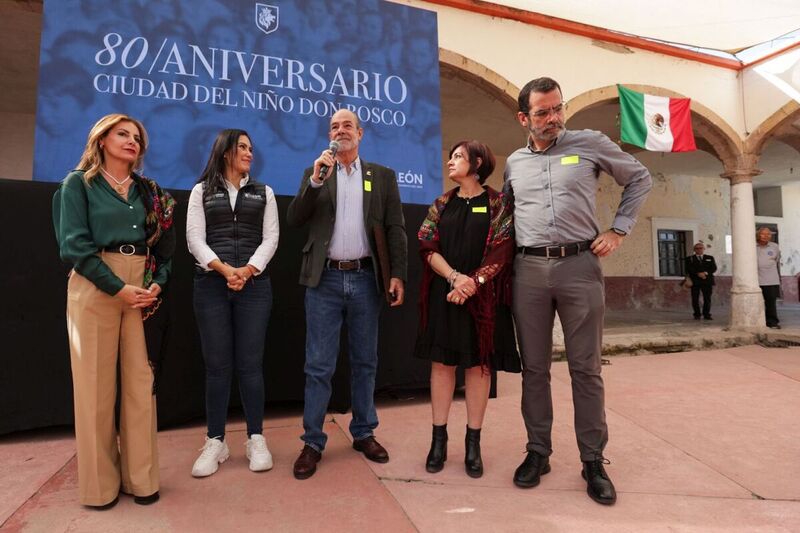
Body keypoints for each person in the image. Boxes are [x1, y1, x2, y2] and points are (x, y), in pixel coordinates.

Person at [503, 77, 652, 505]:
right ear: (523, 118)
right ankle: (538, 451)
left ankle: (592, 460)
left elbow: (639, 178)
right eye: (543, 113)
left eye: (557, 109)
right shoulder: (514, 162)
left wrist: (619, 229)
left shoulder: (589, 143)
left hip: (580, 267)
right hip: (528, 270)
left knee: (585, 370)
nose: (553, 119)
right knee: (534, 369)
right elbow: (507, 216)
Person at [52, 113, 175, 508]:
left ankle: (142, 480)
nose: (131, 141)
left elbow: (164, 248)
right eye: (122, 134)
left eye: (137, 137)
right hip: (95, 282)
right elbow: (73, 246)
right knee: (95, 389)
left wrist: (158, 282)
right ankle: (100, 488)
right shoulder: (78, 184)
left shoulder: (147, 191)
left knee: (141, 385)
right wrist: (117, 288)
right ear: (101, 140)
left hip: (139, 285)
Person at [287, 109, 407, 480]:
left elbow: (395, 228)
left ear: (361, 132)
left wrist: (398, 274)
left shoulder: (382, 177)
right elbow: (295, 218)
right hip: (324, 281)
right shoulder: (317, 173)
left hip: (366, 280)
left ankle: (364, 433)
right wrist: (316, 183)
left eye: (347, 126)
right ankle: (313, 441)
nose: (341, 131)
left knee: (365, 362)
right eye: (334, 127)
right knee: (319, 365)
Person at [415, 140, 520, 478]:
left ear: (477, 163)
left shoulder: (497, 204)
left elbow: (503, 249)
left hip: (484, 299)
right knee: (443, 367)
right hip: (447, 294)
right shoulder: (441, 204)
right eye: (450, 156)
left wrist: (473, 283)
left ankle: (473, 444)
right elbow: (426, 243)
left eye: (458, 156)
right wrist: (456, 278)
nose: (451, 161)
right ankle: (438, 440)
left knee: (479, 368)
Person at [186, 129, 279, 477]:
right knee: (217, 367)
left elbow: (271, 238)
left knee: (251, 366)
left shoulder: (264, 192)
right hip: (211, 286)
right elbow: (195, 238)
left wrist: (247, 270)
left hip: (254, 287)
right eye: (242, 147)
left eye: (251, 148)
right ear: (225, 152)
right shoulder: (201, 192)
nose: (248, 153)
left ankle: (256, 437)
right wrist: (226, 270)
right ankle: (216, 441)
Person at [756, 227, 782, 329]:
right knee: (757, 302)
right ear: (758, 235)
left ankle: (772, 322)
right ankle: (758, 322)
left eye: (769, 234)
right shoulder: (752, 246)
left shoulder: (774, 246)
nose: (766, 236)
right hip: (756, 279)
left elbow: (776, 260)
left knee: (771, 302)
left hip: (771, 279)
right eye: (763, 234)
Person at [685, 242, 717, 320]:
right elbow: (688, 269)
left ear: (704, 249)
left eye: (700, 248)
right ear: (694, 250)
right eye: (697, 248)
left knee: (707, 298)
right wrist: (697, 274)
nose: (699, 250)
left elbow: (713, 268)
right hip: (695, 281)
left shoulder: (710, 257)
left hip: (707, 281)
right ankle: (697, 314)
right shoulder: (690, 259)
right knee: (695, 298)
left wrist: (705, 273)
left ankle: (706, 314)